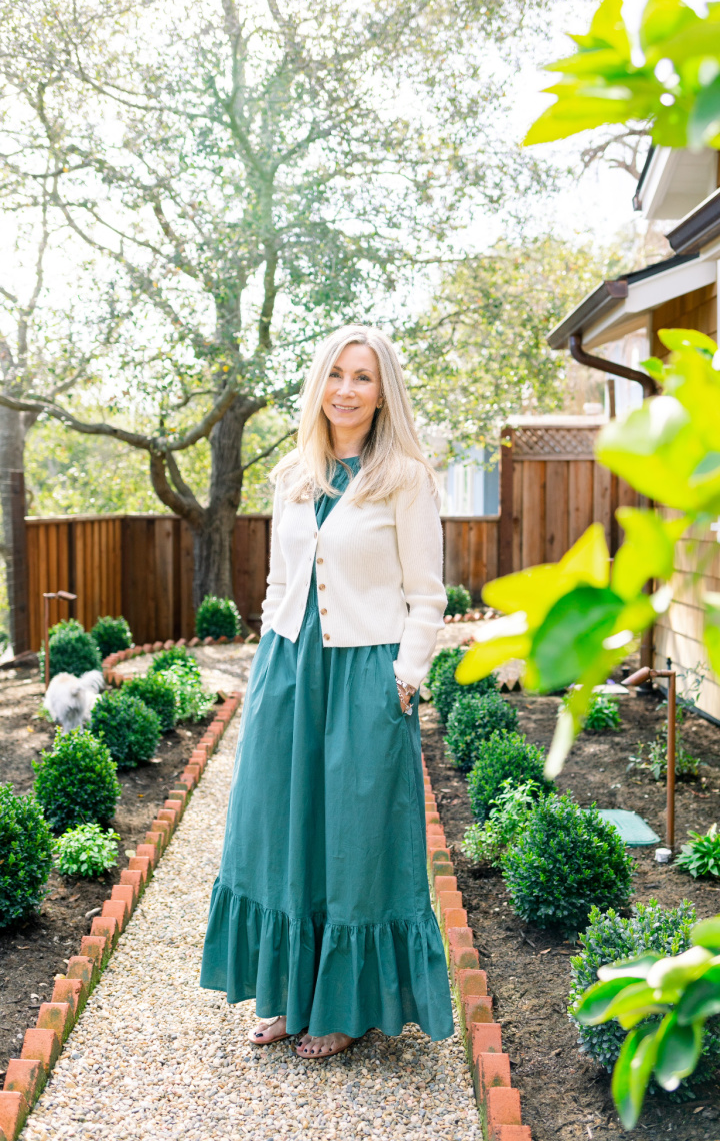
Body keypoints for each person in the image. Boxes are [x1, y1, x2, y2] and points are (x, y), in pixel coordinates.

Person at [200, 324, 454, 1059]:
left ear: (383, 394)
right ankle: (286, 996)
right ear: (320, 384)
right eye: (337, 374)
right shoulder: (293, 476)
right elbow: (282, 579)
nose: (347, 389)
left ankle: (344, 1007)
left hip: (365, 676)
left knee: (355, 841)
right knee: (280, 832)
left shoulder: (405, 477)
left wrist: (405, 680)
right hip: (289, 670)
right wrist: (265, 662)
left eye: (364, 378)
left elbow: (426, 597)